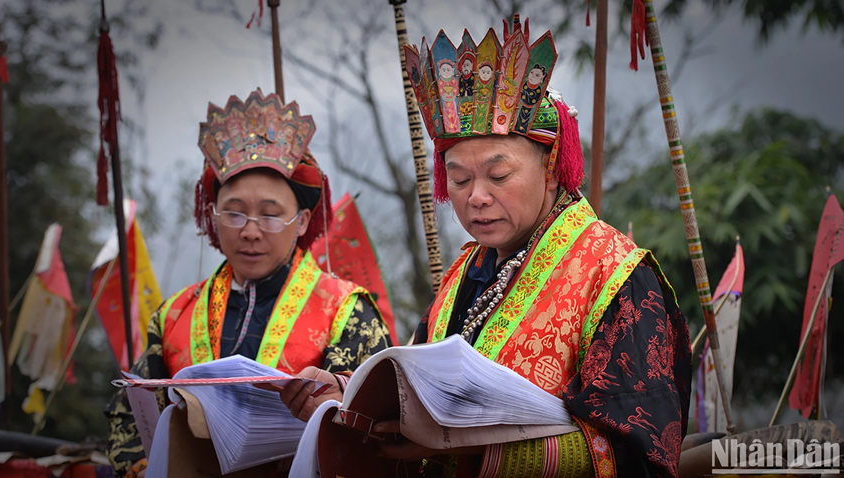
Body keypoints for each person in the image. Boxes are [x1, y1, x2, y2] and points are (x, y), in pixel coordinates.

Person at [281, 15, 691, 478]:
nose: (476, 196)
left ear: (552, 168)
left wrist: (472, 450)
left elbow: (641, 451)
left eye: (498, 176)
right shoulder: (465, 271)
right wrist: (346, 395)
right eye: (459, 178)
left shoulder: (614, 274)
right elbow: (413, 389)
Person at [104, 90, 392, 478]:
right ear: (212, 215)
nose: (251, 232)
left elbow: (376, 425)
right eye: (234, 214)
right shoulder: (174, 314)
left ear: (303, 222)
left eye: (271, 216)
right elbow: (131, 419)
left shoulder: (345, 309)